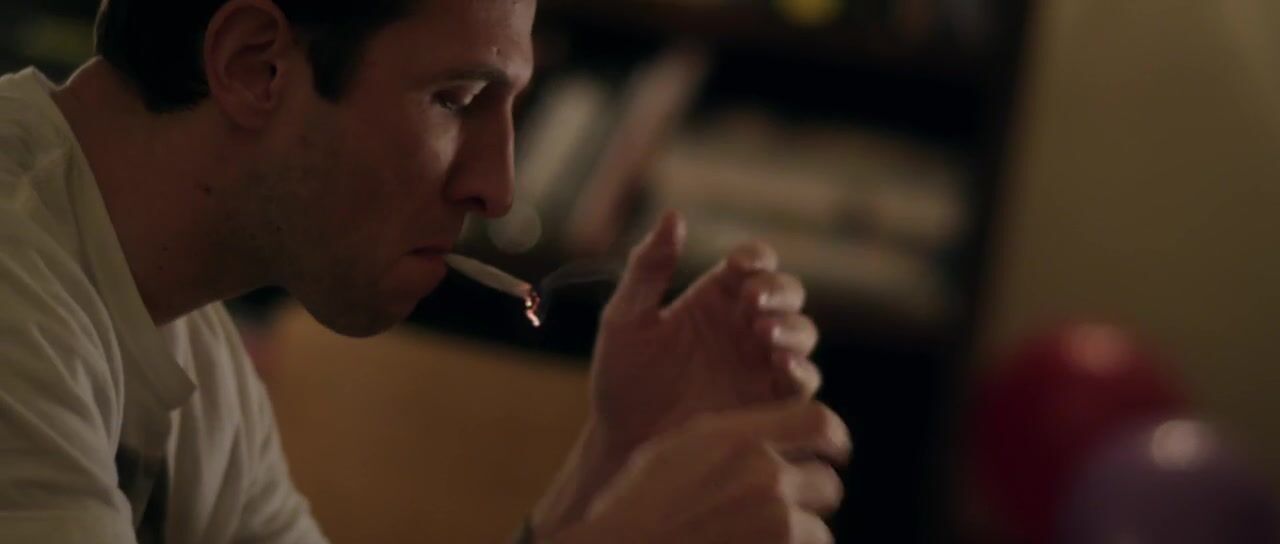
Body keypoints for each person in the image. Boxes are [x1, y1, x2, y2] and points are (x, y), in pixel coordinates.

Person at [0, 0, 850, 542]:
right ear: (255, 65)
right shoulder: (15, 299)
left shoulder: (191, 342)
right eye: (457, 100)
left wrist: (615, 464)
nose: (497, 188)